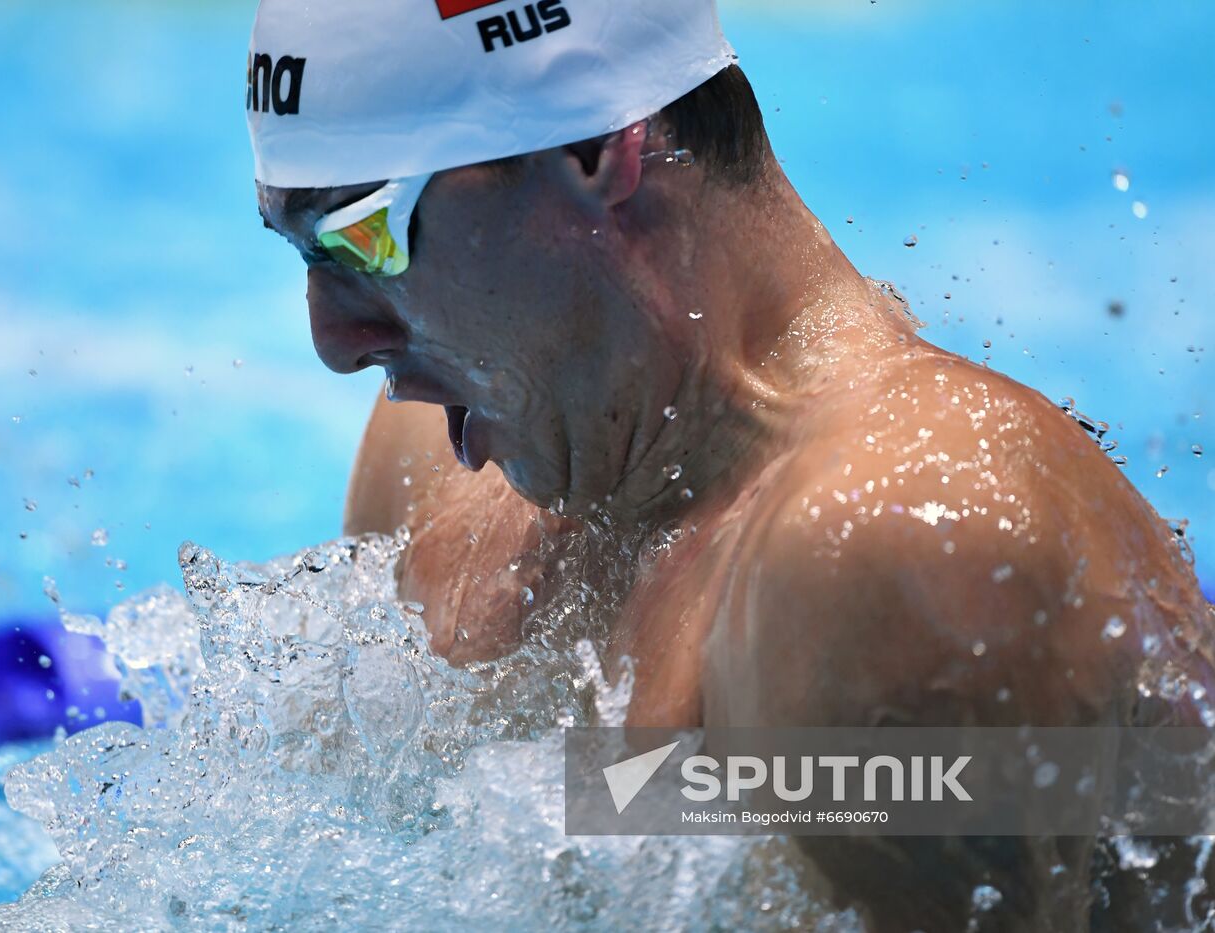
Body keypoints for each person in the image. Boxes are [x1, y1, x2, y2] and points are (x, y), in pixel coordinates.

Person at [249, 1, 1215, 928]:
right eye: (302, 249)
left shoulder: (887, 553)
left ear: (594, 146)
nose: (335, 338)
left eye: (363, 232)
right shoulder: (437, 466)